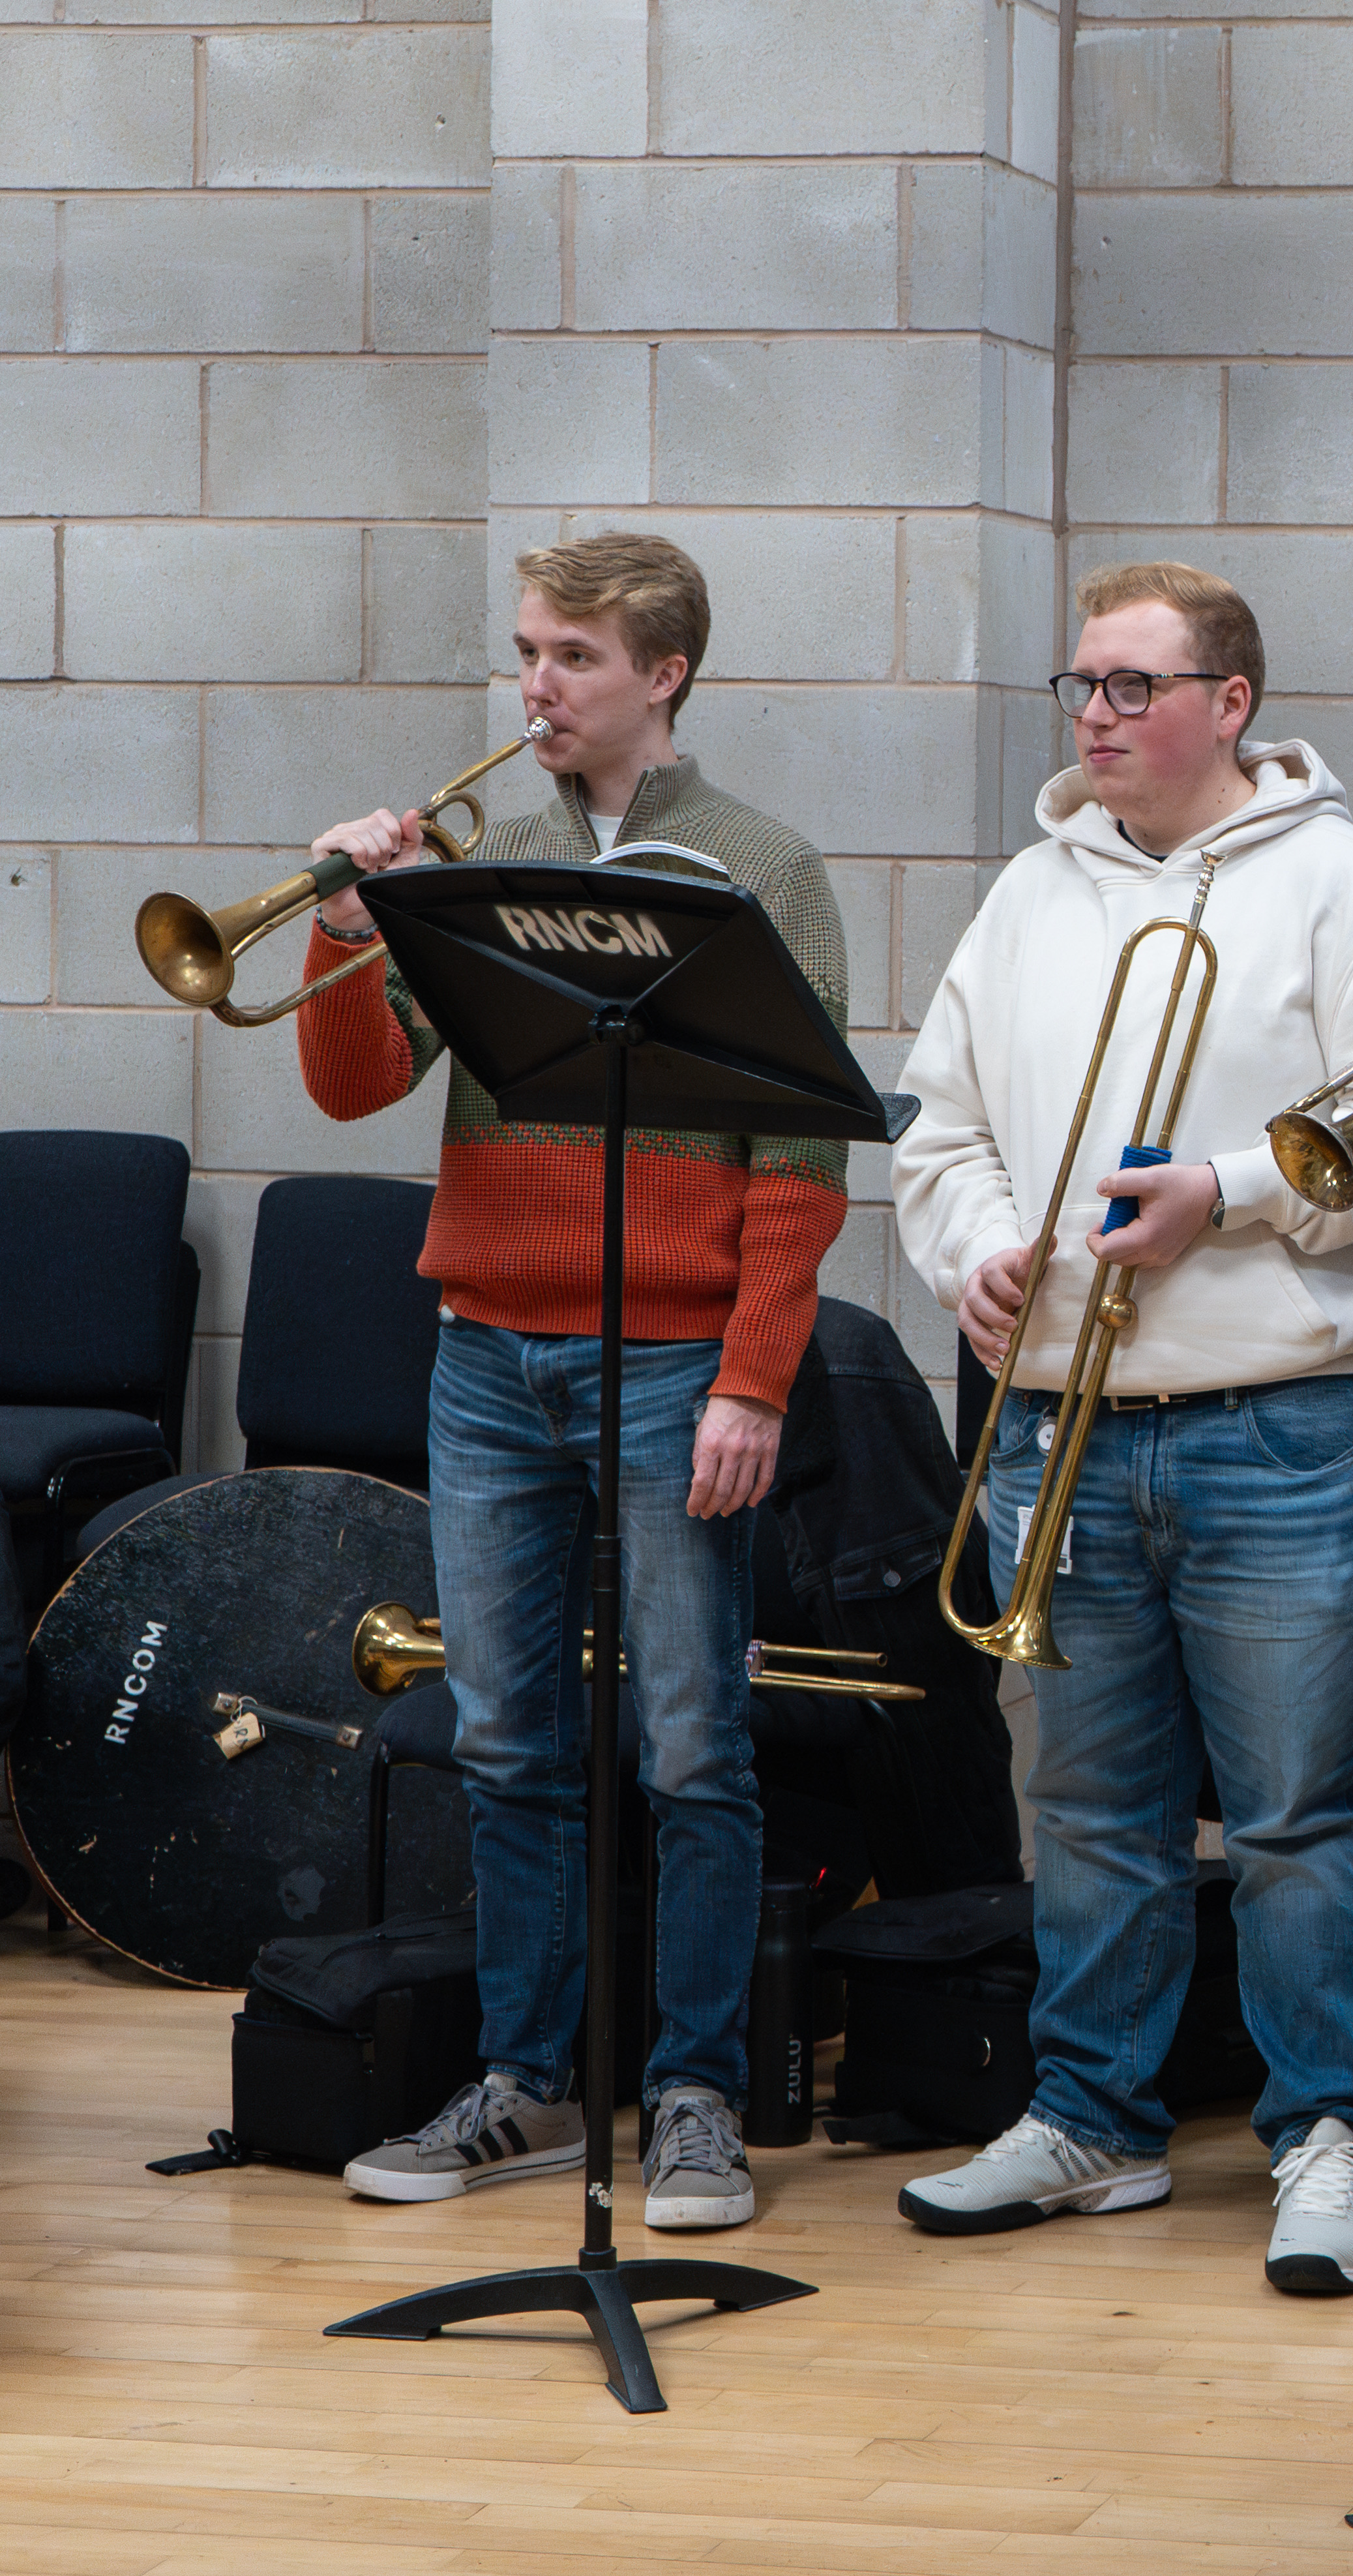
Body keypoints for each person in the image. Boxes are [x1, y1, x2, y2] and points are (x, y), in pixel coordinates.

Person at [890, 560, 1353, 2296]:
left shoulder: (1341, 882)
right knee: (1086, 1809)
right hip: (1062, 1415)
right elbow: (941, 1131)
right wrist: (977, 1250)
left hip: (1272, 1424)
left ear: (1231, 704)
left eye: (1133, 686)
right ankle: (1093, 2120)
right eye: (1081, 686)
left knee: (1293, 1811)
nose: (1096, 717)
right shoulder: (1029, 892)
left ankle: (1326, 2135)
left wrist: (1228, 1192)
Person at [314, 533, 849, 2234]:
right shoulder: (484, 864)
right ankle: (528, 2081)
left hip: (675, 1356)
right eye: (528, 653)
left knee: (694, 1745)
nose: (534, 686)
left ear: (662, 672)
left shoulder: (761, 864)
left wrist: (753, 1378)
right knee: (512, 1741)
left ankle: (694, 2095)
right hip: (486, 1347)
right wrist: (344, 924)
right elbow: (352, 1087)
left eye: (571, 659)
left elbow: (802, 1152)